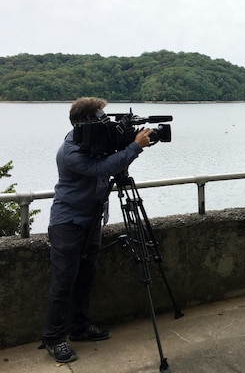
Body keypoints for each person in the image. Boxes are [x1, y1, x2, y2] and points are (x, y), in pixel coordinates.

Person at [41, 97, 153, 363]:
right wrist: (135, 147)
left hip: (92, 221)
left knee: (86, 277)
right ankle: (54, 338)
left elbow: (113, 164)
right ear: (89, 120)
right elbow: (102, 168)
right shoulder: (70, 151)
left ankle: (79, 327)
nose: (106, 119)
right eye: (101, 115)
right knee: (64, 283)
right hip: (68, 223)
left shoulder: (94, 141)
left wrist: (127, 142)